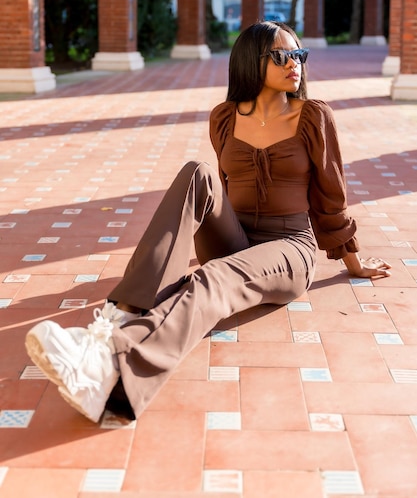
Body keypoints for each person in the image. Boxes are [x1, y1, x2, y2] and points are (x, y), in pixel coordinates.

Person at [25, 21, 391, 423]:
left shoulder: (312, 117)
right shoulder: (225, 118)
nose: (295, 65)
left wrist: (353, 263)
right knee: (197, 171)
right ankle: (120, 317)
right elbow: (222, 186)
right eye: (283, 55)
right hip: (235, 236)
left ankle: (110, 374)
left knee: (212, 278)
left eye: (299, 55)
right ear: (253, 62)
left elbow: (330, 198)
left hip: (289, 248)